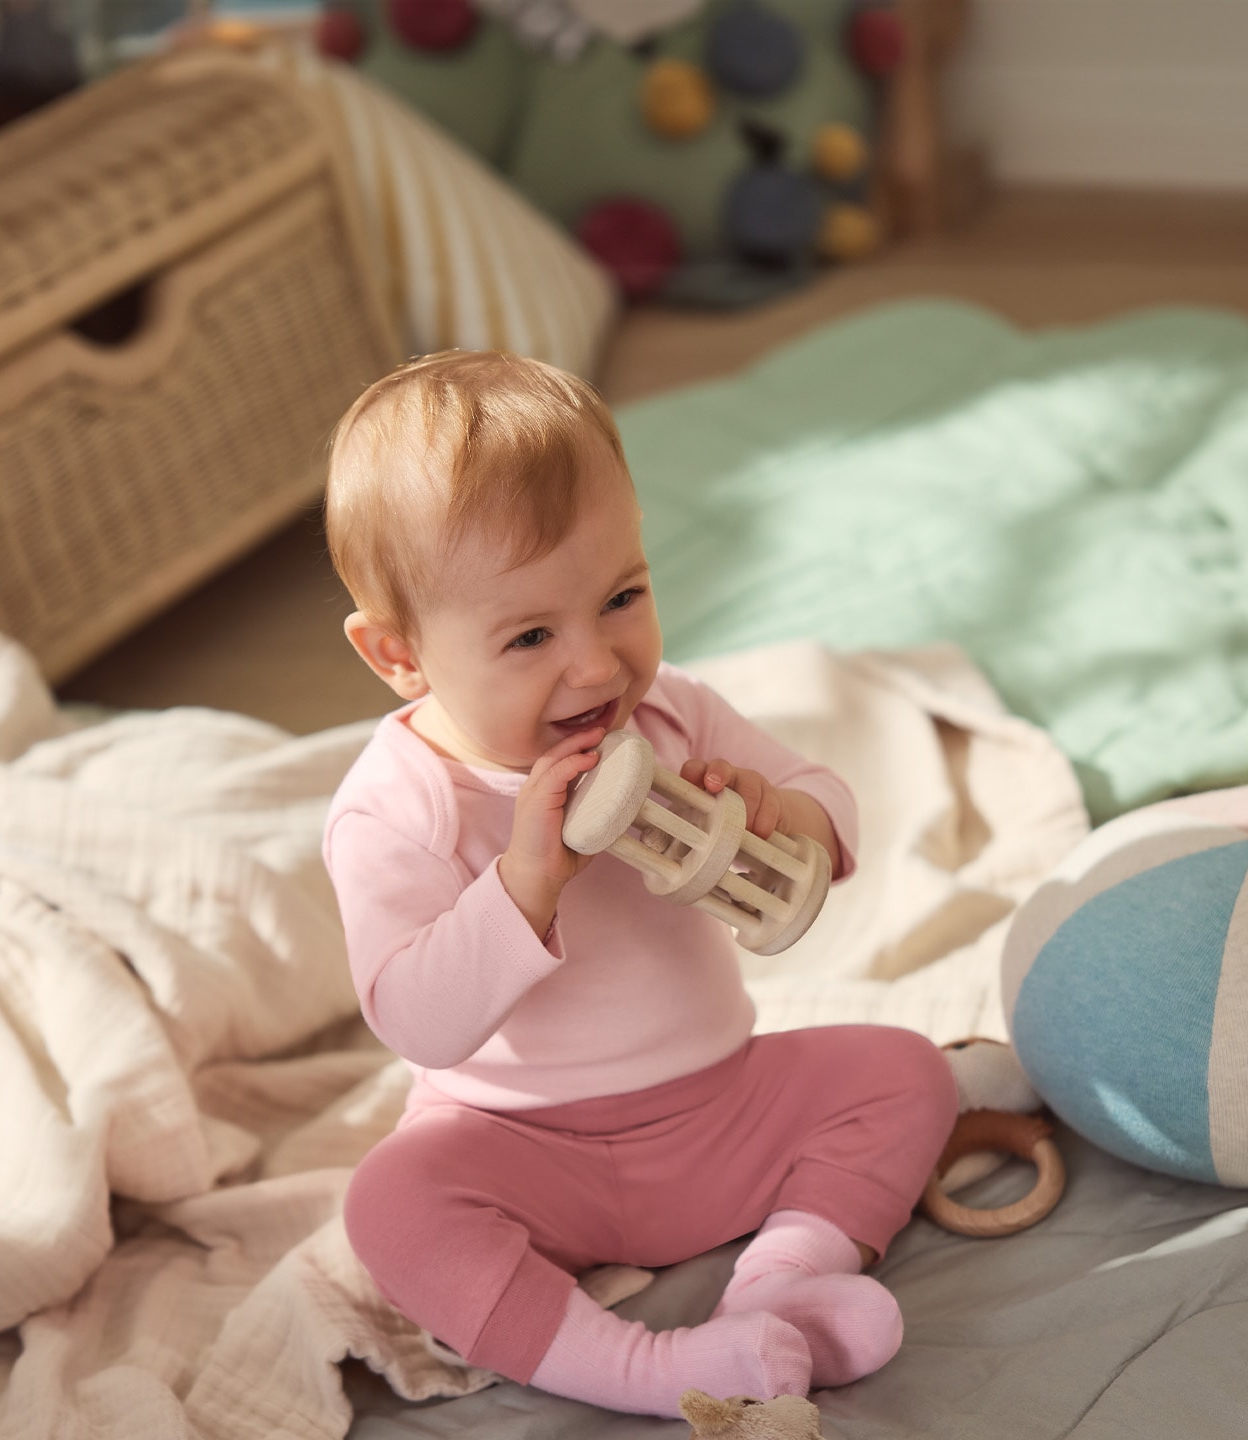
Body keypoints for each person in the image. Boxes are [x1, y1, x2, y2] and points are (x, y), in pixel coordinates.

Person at [322, 350, 957, 1418]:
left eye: (620, 597)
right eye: (529, 636)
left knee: (906, 1073)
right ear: (399, 655)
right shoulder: (396, 805)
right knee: (393, 1205)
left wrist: (774, 808)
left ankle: (786, 1290)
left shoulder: (670, 716)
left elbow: (829, 809)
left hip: (722, 1108)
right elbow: (415, 1020)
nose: (597, 667)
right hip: (525, 1148)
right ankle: (649, 1372)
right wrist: (524, 882)